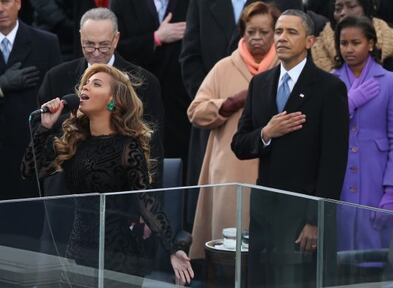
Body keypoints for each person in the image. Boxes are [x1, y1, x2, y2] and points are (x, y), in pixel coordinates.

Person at [21, 63, 194, 285]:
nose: (86, 88)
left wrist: (173, 248)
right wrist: (44, 129)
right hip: (78, 254)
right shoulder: (75, 142)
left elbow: (146, 201)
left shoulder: (127, 148)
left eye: (97, 84)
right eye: (85, 83)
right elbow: (29, 171)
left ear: (114, 100)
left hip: (118, 258)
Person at [231, 9, 349, 287]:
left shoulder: (329, 88)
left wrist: (316, 220)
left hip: (303, 214)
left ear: (310, 41)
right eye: (279, 31)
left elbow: (333, 161)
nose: (282, 38)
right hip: (264, 213)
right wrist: (267, 133)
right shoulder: (260, 83)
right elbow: (240, 144)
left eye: (291, 32)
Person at [187, 1, 279, 260]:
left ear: (275, 33)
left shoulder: (286, 67)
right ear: (243, 33)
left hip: (271, 170)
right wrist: (227, 104)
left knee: (266, 256)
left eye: (264, 32)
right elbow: (195, 111)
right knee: (225, 251)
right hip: (229, 170)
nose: (257, 38)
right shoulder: (225, 66)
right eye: (251, 32)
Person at [37, 8, 164, 191]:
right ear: (80, 37)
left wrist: (150, 200)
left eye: (103, 45)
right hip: (67, 192)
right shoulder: (56, 78)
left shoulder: (143, 83)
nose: (96, 52)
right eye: (89, 45)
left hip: (122, 193)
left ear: (116, 39)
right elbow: (43, 146)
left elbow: (153, 146)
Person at [332, 16, 393, 253]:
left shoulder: (389, 81)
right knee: (337, 259)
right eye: (344, 43)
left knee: (373, 257)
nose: (349, 49)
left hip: (375, 178)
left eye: (356, 42)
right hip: (339, 179)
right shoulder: (330, 81)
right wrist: (348, 103)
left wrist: (392, 191)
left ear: (371, 44)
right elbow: (321, 130)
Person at [110, 0, 191, 170]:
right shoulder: (121, 3)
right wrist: (156, 38)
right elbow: (116, 48)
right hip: (135, 99)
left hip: (180, 102)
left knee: (177, 166)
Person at [0, 0, 61, 200]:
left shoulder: (46, 43)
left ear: (18, 3)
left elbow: (57, 101)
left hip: (29, 157)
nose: (0, 9)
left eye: (5, 1)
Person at [311, 0, 393, 80]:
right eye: (338, 9)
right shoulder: (317, 49)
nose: (343, 12)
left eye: (351, 6)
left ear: (365, 8)